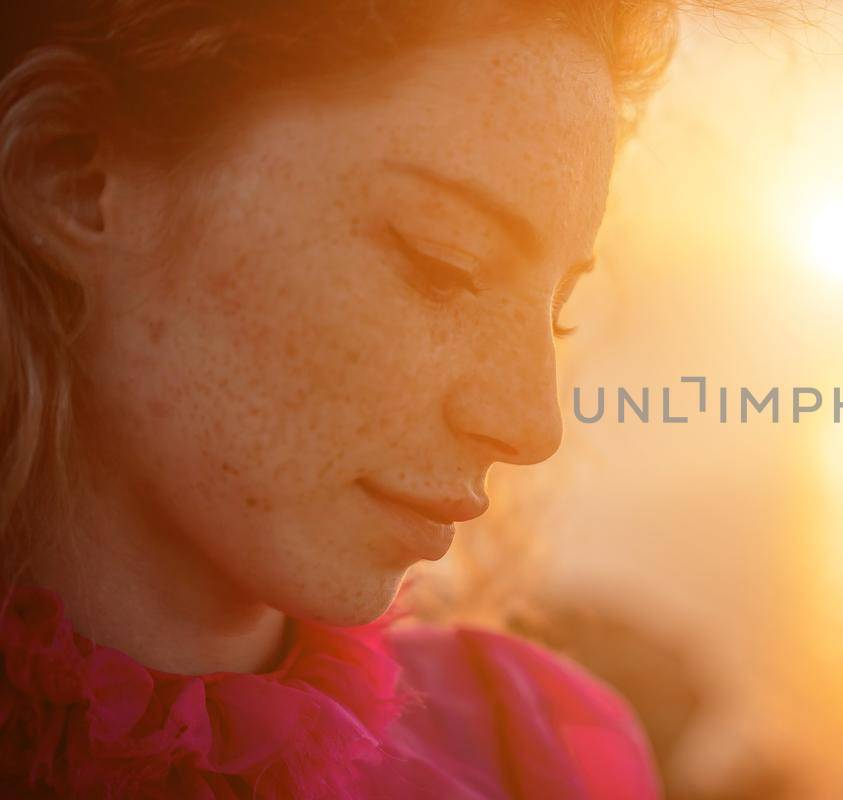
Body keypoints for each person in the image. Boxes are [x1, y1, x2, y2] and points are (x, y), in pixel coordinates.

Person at [0, 1, 714, 796]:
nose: (531, 425)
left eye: (557, 309)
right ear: (73, 177)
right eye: (444, 260)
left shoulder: (540, 757)